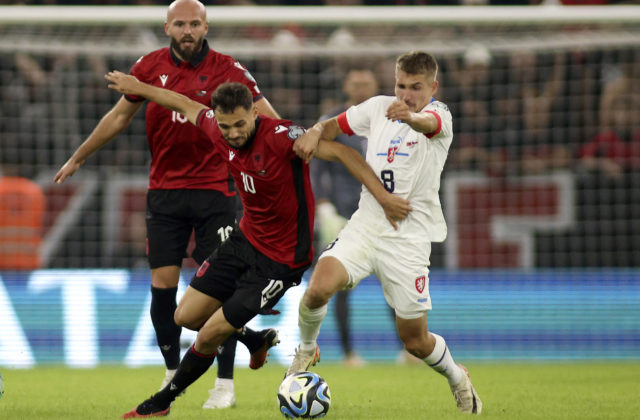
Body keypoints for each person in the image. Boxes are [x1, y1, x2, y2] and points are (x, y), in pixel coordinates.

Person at [104, 74, 411, 418]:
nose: (233, 133)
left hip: (281, 260)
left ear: (253, 113)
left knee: (208, 335)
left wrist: (383, 198)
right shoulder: (213, 126)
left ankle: (159, 404)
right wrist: (139, 88)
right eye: (225, 126)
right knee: (184, 316)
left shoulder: (283, 137)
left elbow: (342, 153)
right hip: (244, 240)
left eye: (239, 124)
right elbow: (183, 103)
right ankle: (255, 340)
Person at [53, 0, 281, 409]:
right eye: (180, 24)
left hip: (217, 191)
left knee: (218, 288)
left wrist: (286, 154)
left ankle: (224, 385)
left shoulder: (230, 70)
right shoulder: (148, 66)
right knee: (163, 286)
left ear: (206, 25)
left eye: (195, 23)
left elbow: (267, 119)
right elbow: (119, 117)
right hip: (165, 192)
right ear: (167, 27)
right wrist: (80, 154)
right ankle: (174, 371)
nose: (188, 30)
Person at [288, 51, 483, 415]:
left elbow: (427, 123)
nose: (406, 94)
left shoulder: (440, 115)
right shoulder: (378, 107)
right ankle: (304, 351)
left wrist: (411, 115)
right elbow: (334, 126)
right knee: (318, 287)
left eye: (415, 87)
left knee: (415, 341)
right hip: (366, 224)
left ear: (432, 87)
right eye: (400, 86)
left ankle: (457, 377)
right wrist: (316, 131)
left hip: (408, 238)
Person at [310, 67, 379, 367]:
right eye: (356, 83)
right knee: (337, 285)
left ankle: (409, 349)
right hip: (342, 215)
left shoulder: (389, 120)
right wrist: (323, 206)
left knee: (393, 277)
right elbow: (314, 167)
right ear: (346, 86)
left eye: (367, 83)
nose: (362, 88)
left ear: (376, 87)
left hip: (380, 211)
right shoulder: (332, 122)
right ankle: (348, 353)